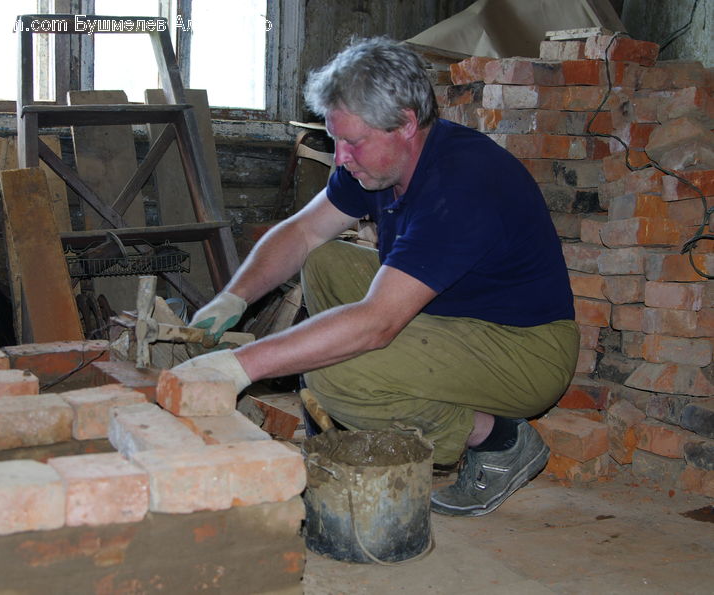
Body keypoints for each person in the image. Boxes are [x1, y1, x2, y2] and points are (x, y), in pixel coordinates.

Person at [176, 37, 578, 517]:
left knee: (336, 373)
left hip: (525, 351)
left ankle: (497, 441)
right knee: (323, 261)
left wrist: (240, 366)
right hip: (451, 317)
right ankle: (352, 422)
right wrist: (233, 299)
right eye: (335, 139)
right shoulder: (377, 164)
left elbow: (377, 323)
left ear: (406, 124)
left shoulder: (463, 184)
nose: (340, 156)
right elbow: (303, 233)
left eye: (353, 142)